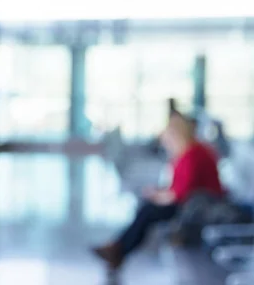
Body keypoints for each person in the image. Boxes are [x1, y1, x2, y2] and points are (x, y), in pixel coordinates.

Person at [92, 113, 223, 272]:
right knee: (147, 208)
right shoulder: (187, 152)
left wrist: (159, 196)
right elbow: (179, 187)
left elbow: (181, 194)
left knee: (148, 211)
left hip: (201, 206)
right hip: (192, 202)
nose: (165, 141)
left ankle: (118, 249)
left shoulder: (193, 154)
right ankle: (118, 248)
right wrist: (159, 193)